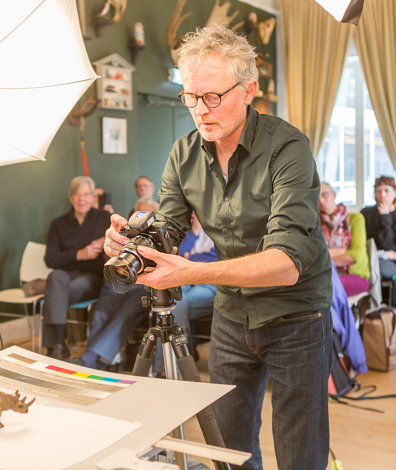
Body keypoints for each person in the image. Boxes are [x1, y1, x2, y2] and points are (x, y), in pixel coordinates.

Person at [104, 24, 333, 470]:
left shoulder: (288, 148)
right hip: (232, 315)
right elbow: (168, 227)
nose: (200, 111)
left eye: (213, 97)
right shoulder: (184, 153)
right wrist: (135, 240)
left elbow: (286, 264)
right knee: (228, 449)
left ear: (249, 90)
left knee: (299, 452)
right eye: (190, 97)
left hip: (296, 315)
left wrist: (188, 272)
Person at [67, 197, 159, 370]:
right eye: (139, 214)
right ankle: (95, 361)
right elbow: (108, 259)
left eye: (149, 215)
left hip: (146, 287)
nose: (143, 219)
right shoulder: (125, 233)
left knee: (125, 314)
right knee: (100, 314)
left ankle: (92, 360)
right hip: (121, 281)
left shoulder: (162, 236)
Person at [42, 176, 110, 360]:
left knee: (54, 290)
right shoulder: (58, 224)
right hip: (64, 276)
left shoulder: (104, 218)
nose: (82, 199)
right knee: (55, 278)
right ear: (71, 198)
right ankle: (58, 345)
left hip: (92, 278)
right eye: (77, 195)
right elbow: (50, 259)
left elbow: (121, 239)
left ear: (92, 197)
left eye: (86, 194)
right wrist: (79, 254)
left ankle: (55, 347)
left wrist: (106, 240)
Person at [152, 212, 217, 374]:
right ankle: (172, 362)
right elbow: (177, 254)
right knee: (165, 296)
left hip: (210, 283)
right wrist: (195, 231)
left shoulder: (220, 228)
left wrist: (192, 259)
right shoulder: (189, 227)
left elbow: (218, 262)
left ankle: (164, 367)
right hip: (186, 280)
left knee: (176, 304)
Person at [319, 182, 370, 296]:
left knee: (322, 287)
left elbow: (355, 255)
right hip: (326, 275)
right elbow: (313, 254)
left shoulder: (355, 218)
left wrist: (323, 260)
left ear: (334, 195)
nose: (321, 201)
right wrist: (341, 251)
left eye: (325, 194)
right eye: (316, 197)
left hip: (354, 274)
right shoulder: (315, 223)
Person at [361, 176, 396, 280]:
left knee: (375, 268)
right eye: (379, 191)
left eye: (387, 190)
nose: (382, 195)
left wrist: (384, 216)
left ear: (395, 193)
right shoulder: (366, 213)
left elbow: (388, 246)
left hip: (388, 262)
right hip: (367, 256)